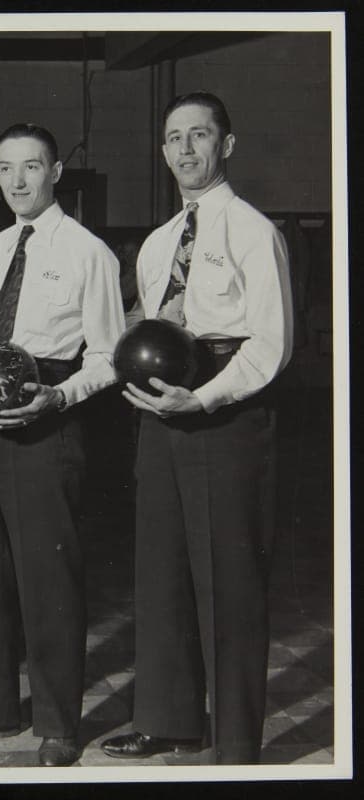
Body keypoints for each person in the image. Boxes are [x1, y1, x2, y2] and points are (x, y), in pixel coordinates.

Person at [101, 92, 293, 765]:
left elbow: (270, 343)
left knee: (229, 581)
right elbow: (150, 326)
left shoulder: (252, 230)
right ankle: (168, 719)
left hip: (224, 410)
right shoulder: (158, 243)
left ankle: (237, 743)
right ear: (162, 151)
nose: (185, 150)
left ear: (227, 146)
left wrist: (205, 398)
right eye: (174, 138)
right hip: (161, 415)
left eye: (200, 136)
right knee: (160, 572)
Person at [0, 123, 125, 767]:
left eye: (31, 167)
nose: (17, 181)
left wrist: (60, 397)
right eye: (5, 168)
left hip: (50, 417)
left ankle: (57, 723)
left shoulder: (89, 253)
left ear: (56, 173)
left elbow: (107, 356)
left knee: (49, 577)